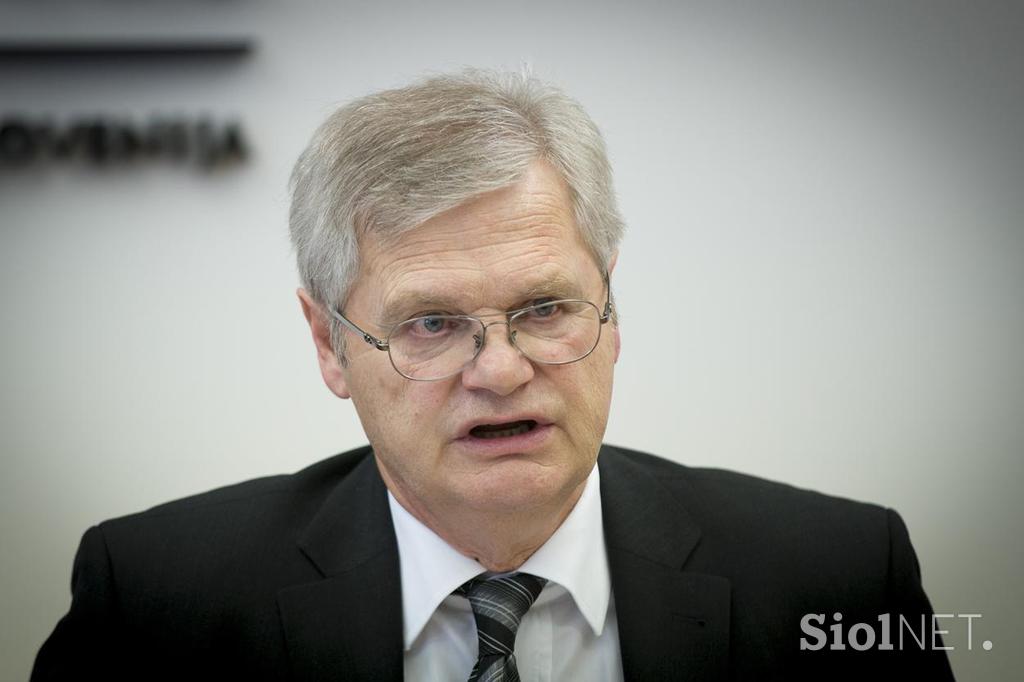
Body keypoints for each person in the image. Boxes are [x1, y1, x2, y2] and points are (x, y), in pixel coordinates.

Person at [32, 70, 954, 681]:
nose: (502, 371)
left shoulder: (840, 577)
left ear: (611, 307)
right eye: (432, 324)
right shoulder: (152, 603)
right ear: (329, 345)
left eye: (546, 308)